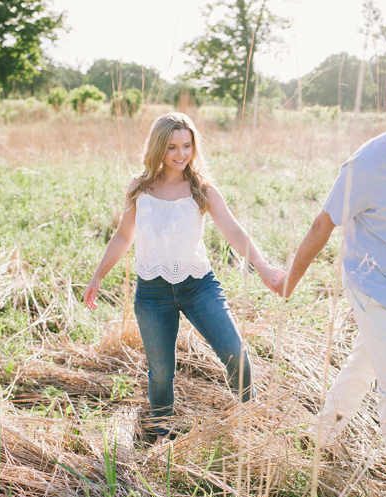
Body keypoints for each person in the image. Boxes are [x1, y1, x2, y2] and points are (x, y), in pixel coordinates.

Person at [271, 80, 386, 497]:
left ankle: (318, 435)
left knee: (368, 362)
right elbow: (322, 225)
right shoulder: (366, 164)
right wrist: (289, 281)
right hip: (369, 281)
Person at [84, 112, 284, 444]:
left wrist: (262, 266)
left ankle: (252, 419)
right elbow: (122, 236)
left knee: (235, 352)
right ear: (158, 148)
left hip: (198, 286)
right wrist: (97, 276)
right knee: (160, 373)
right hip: (152, 293)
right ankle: (160, 435)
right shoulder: (139, 188)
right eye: (172, 147)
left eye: (187, 146)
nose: (180, 155)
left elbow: (233, 230)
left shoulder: (200, 188)